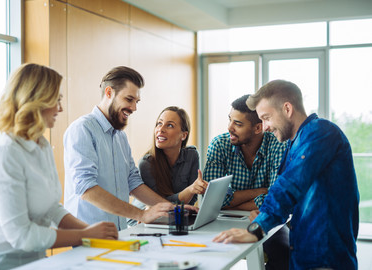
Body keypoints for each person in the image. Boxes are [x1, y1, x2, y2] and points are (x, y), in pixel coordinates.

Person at [0, 63, 118, 270]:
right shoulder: (6, 154)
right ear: (37, 101)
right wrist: (84, 235)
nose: (60, 108)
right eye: (57, 100)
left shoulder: (42, 145)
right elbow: (21, 236)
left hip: (34, 261)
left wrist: (94, 234)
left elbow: (52, 209)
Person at [213, 80, 359, 270]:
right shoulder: (294, 144)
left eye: (266, 117)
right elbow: (286, 194)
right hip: (303, 255)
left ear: (287, 109)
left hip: (325, 258)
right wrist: (265, 213)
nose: (264, 127)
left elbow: (289, 186)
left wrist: (259, 227)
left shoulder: (320, 131)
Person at [64, 66, 177, 231]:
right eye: (129, 99)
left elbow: (133, 182)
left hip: (118, 232)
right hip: (88, 236)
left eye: (136, 102)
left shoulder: (120, 136)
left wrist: (172, 209)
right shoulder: (82, 129)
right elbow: (86, 189)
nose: (134, 108)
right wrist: (141, 215)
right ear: (109, 93)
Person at [204, 94, 289, 270]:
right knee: (204, 251)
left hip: (265, 218)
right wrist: (262, 191)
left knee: (284, 251)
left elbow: (275, 200)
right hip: (223, 220)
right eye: (230, 120)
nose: (229, 128)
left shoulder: (278, 145)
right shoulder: (219, 145)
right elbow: (213, 201)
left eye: (238, 124)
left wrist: (231, 201)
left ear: (258, 128)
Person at [132, 106, 208, 209]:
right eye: (159, 124)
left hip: (175, 217)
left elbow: (191, 199)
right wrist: (190, 190)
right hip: (143, 220)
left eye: (170, 125)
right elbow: (160, 206)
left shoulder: (192, 155)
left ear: (183, 135)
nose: (161, 129)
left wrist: (193, 190)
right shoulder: (147, 164)